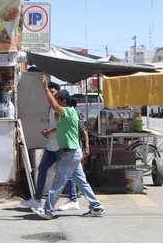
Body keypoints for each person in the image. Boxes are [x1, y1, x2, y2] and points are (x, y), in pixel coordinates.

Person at [31, 75, 105, 219]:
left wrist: (46, 89)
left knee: (58, 182)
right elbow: (55, 110)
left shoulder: (70, 112)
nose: (56, 105)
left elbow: (55, 106)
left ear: (64, 102)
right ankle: (96, 206)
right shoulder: (64, 116)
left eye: (58, 101)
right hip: (73, 153)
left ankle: (48, 210)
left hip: (70, 153)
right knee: (82, 182)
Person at [20, 81, 79, 210]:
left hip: (61, 146)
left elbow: (61, 126)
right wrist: (47, 132)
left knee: (66, 174)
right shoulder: (51, 108)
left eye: (53, 93)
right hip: (51, 145)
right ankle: (37, 199)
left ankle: (73, 199)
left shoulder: (61, 109)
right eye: (50, 93)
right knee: (42, 169)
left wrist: (48, 131)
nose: (51, 96)